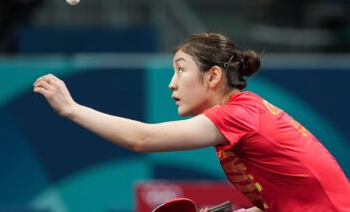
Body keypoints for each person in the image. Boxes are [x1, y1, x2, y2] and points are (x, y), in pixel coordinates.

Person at [33, 33, 350, 212]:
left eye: (180, 70)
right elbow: (295, 196)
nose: (171, 83)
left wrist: (71, 109)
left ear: (213, 76)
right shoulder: (244, 115)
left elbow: (142, 139)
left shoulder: (238, 115)